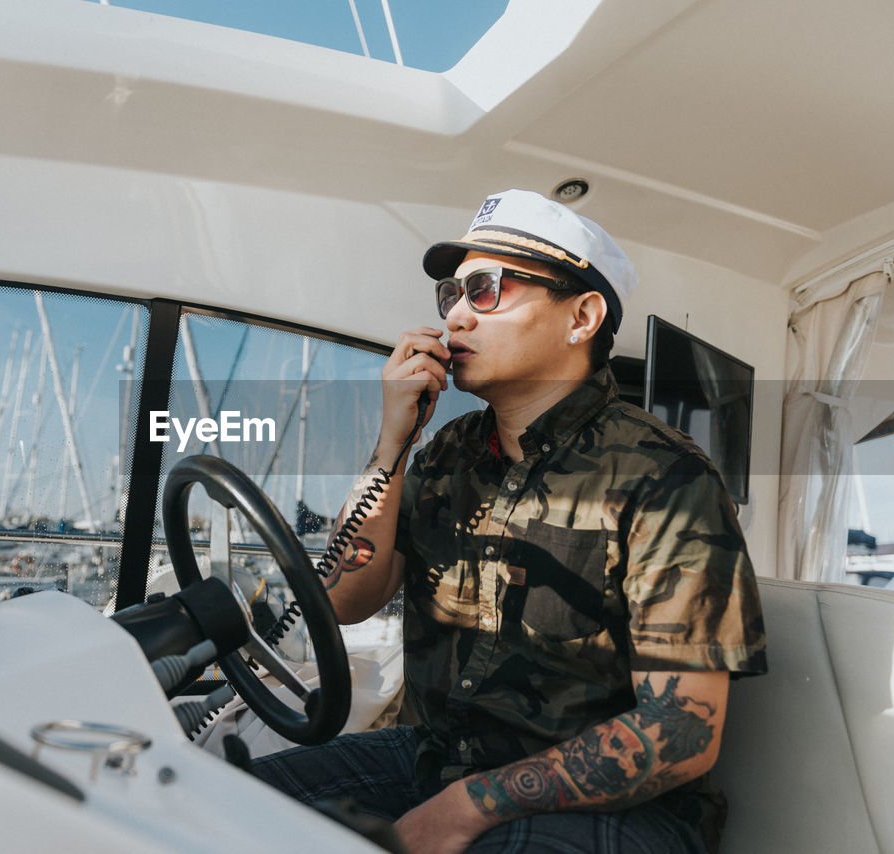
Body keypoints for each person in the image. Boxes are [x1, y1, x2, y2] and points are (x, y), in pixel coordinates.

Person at [250, 189, 767, 854]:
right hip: (432, 759)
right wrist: (390, 447)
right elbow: (343, 602)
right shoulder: (445, 453)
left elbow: (681, 731)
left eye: (487, 289)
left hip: (613, 803)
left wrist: (466, 808)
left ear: (582, 316)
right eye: (451, 294)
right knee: (211, 807)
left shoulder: (666, 478)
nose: (456, 316)